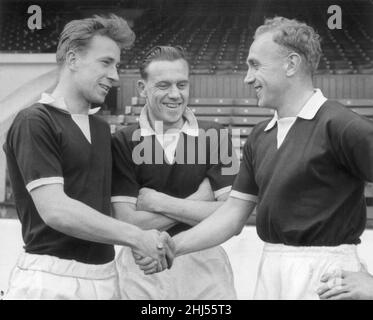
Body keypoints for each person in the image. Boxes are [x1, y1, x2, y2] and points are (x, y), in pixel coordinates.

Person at [140, 17, 373, 300]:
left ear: (291, 64)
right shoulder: (260, 135)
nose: (248, 78)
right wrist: (172, 247)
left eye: (255, 65)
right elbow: (232, 215)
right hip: (271, 269)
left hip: (329, 277)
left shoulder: (342, 125)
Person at [3, 15, 174, 300]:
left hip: (105, 276)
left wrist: (159, 235)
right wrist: (135, 238)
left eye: (117, 65)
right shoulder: (35, 120)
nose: (116, 76)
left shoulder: (101, 128)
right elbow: (56, 210)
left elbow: (119, 214)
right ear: (72, 59)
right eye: (106, 62)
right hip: (50, 279)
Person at [111, 46, 239, 299]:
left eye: (182, 85)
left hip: (205, 264)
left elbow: (232, 219)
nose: (175, 94)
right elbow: (128, 222)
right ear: (141, 88)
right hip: (143, 265)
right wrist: (201, 200)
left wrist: (158, 202)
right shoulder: (122, 141)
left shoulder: (217, 135)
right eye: (163, 85)